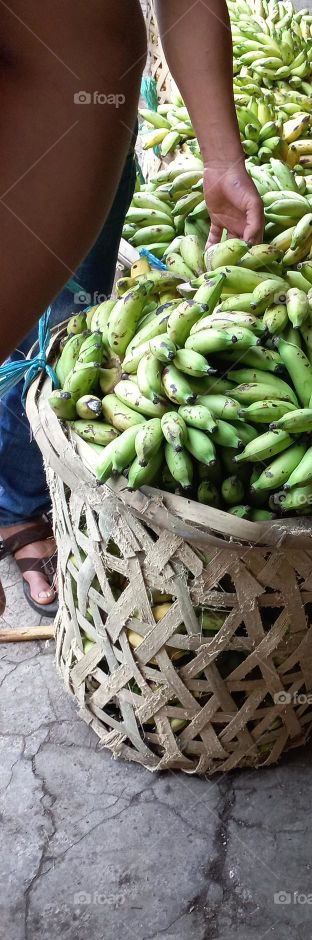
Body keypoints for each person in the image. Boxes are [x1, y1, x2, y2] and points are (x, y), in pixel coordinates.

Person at [0, 0, 264, 617]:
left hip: (78, 155)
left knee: (61, 336)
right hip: (58, 128)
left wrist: (223, 158)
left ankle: (16, 503)